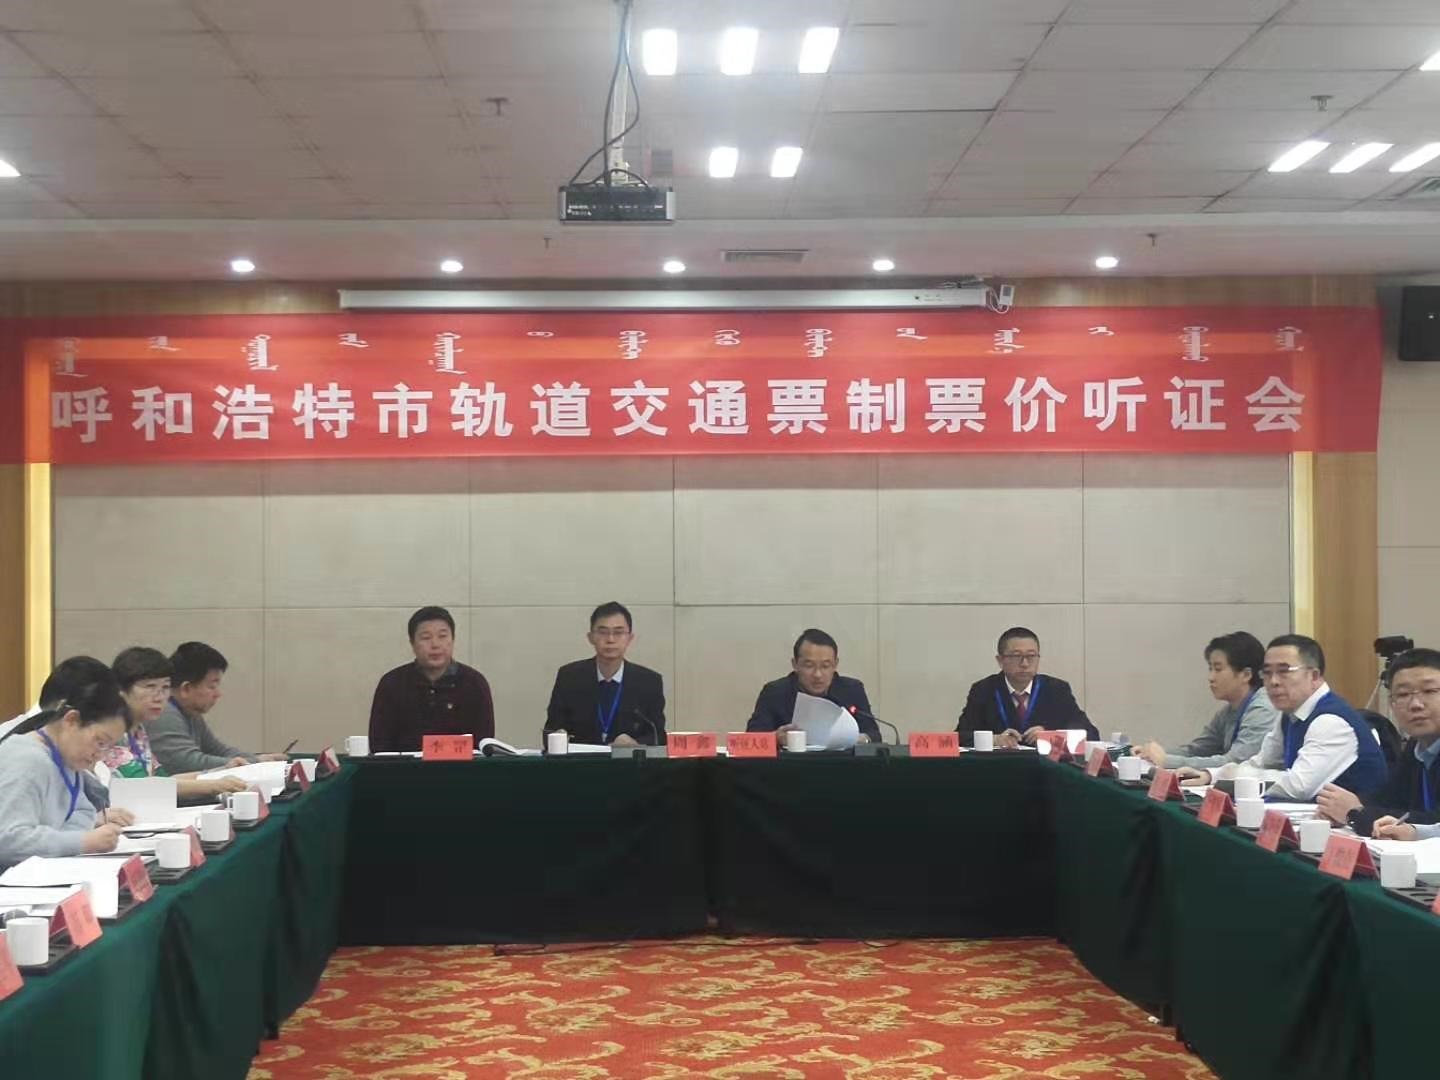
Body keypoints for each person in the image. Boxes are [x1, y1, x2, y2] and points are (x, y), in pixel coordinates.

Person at [1177, 634, 1388, 800]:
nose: (1273, 681)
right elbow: (1261, 763)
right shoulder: (1289, 714)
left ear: (1314, 676)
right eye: (1267, 673)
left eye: (1284, 671)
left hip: (1362, 830)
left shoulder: (1331, 721)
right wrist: (1212, 775)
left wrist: (1234, 779)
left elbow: (1298, 786)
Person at [0, 671, 136, 870]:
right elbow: (8, 840)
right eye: (100, 742)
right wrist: (82, 841)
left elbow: (83, 811)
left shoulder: (65, 759)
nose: (100, 755)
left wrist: (71, 839)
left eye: (108, 747)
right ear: (71, 720)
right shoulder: (26, 759)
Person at [1319, 648, 1440, 836]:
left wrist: (1357, 813)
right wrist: (1339, 808)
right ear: (1392, 704)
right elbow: (1389, 798)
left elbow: (1434, 822)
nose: (1416, 704)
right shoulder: (1416, 746)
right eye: (1403, 694)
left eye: (1429, 691)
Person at [103, 646, 247, 802]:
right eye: (150, 687)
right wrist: (214, 785)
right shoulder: (113, 733)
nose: (159, 697)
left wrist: (221, 771)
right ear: (121, 690)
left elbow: (164, 780)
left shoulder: (139, 730)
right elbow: (145, 786)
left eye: (165, 687)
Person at [1135, 631, 1278, 771]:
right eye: (1210, 669)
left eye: (1218, 669)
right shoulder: (1227, 712)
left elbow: (1235, 763)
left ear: (1246, 675)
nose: (1211, 677)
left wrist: (1167, 761)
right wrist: (1152, 755)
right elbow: (1197, 750)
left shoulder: (1263, 709)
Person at [368, 606, 495, 753]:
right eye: (426, 638)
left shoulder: (474, 683)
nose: (435, 644)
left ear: (453, 640)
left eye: (442, 636)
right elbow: (379, 744)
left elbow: (484, 744)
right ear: (412, 643)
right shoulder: (392, 684)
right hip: (404, 767)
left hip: (461, 767)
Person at [148, 641, 286, 774]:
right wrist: (255, 762)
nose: (218, 694)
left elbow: (218, 750)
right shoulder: (163, 713)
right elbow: (187, 764)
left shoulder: (190, 712)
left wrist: (261, 759)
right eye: (212, 686)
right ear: (186, 688)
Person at [544, 602, 666, 746]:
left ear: (630, 638)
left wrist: (635, 744)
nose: (610, 640)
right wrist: (558, 738)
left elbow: (658, 736)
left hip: (627, 760)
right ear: (590, 637)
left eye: (618, 632)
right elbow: (550, 731)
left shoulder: (649, 682)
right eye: (603, 632)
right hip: (581, 760)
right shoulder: (569, 677)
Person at [956, 627, 1096, 748]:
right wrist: (994, 740)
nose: (1025, 663)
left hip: (1044, 768)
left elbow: (1091, 734)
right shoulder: (984, 690)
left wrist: (1050, 736)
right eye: (1016, 656)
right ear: (1000, 660)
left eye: (1031, 656)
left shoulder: (1056, 690)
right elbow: (960, 737)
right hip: (1000, 766)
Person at [746, 629, 879, 743]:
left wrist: (859, 739)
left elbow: (874, 735)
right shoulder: (775, 692)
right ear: (795, 664)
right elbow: (750, 739)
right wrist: (775, 738)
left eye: (825, 666)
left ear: (835, 665)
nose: (817, 674)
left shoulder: (852, 690)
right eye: (809, 666)